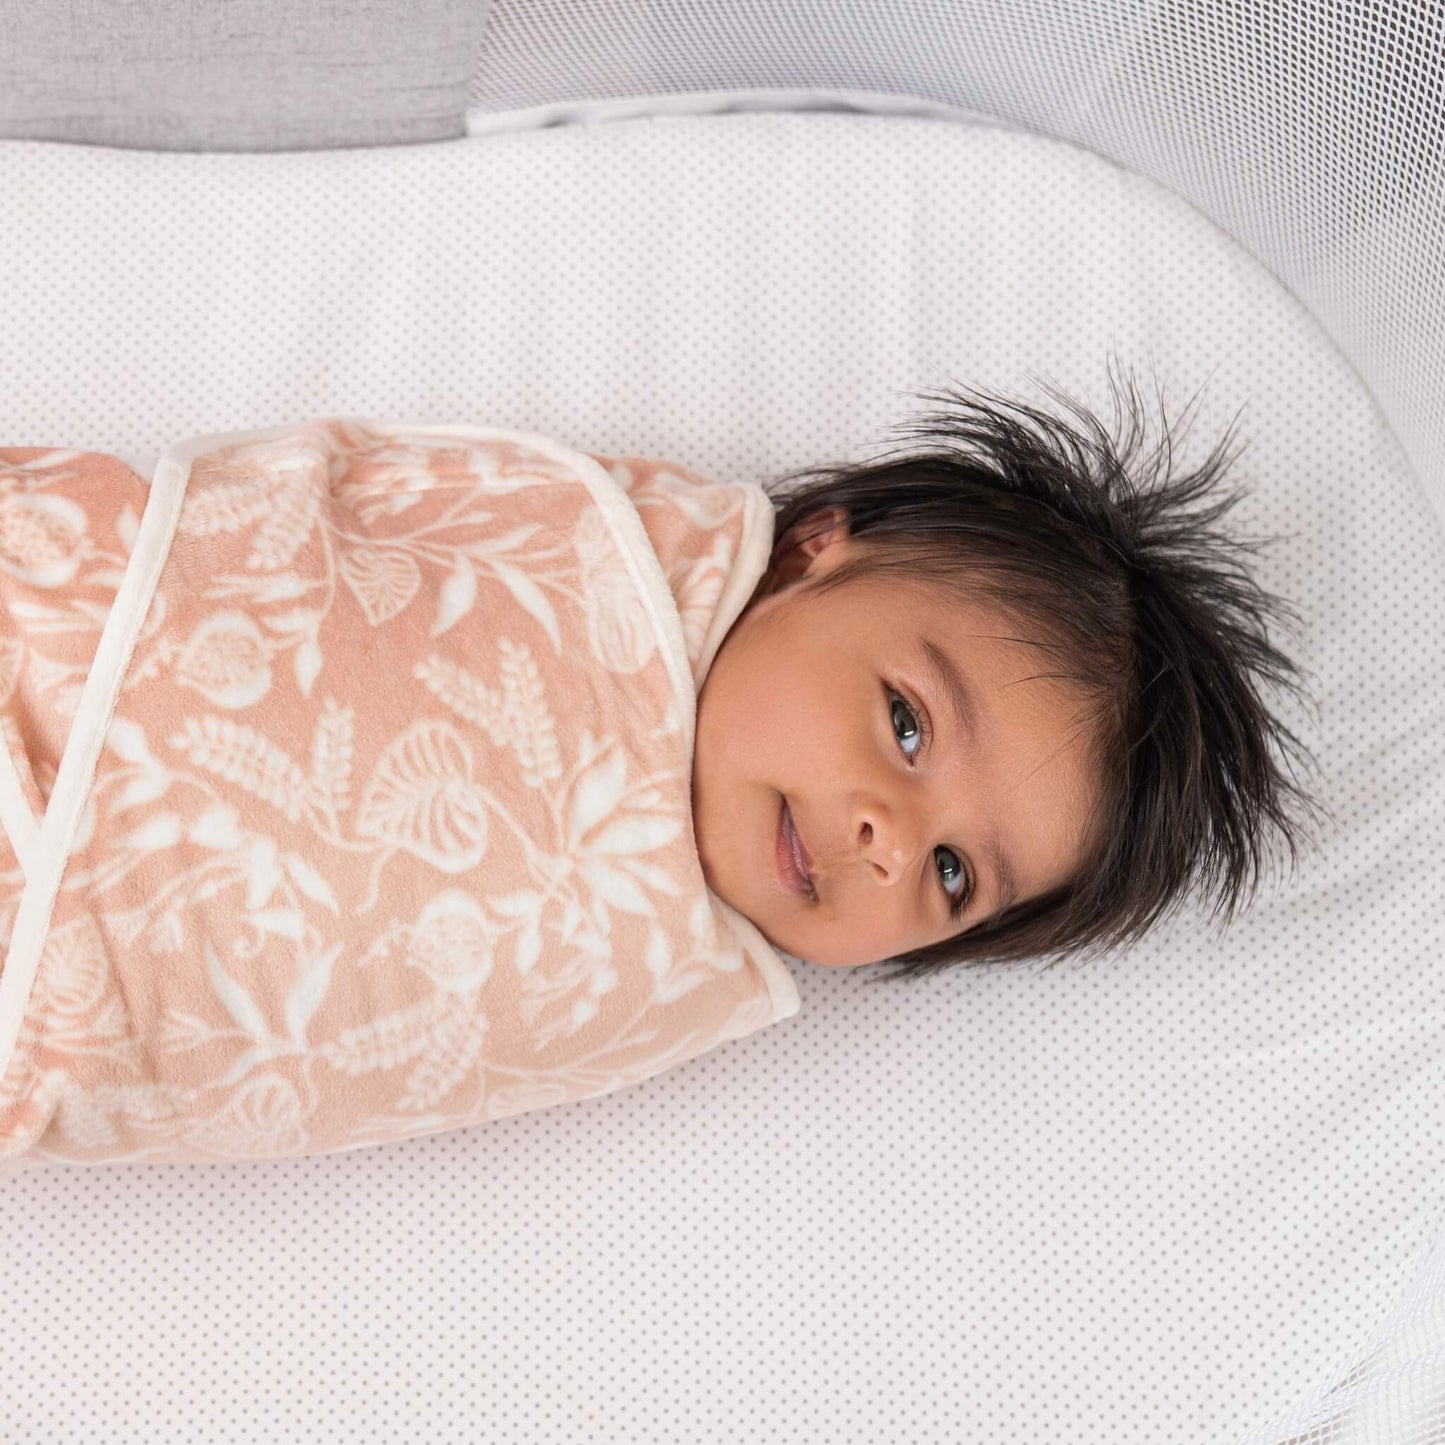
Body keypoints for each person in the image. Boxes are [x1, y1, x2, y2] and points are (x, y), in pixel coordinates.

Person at [692, 363, 1321, 978]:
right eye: (906, 724)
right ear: (803, 560)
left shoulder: (684, 997)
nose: (895, 848)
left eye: (951, 872)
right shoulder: (611, 562)